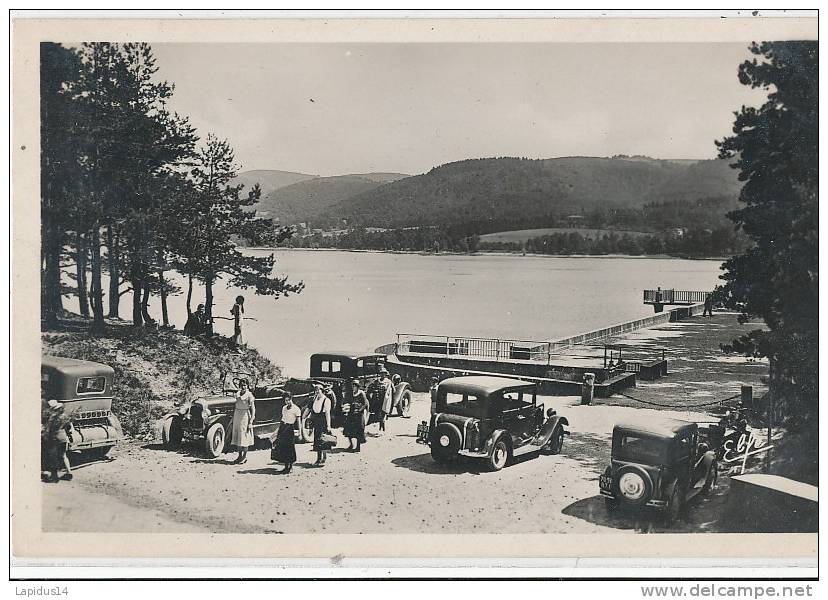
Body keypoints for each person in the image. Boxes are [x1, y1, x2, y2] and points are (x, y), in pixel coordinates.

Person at [41, 399, 74, 483]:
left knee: (53, 457)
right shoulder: (64, 416)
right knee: (63, 455)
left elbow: (48, 428)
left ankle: (54, 476)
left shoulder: (52, 418)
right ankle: (69, 473)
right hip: (63, 437)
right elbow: (69, 428)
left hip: (55, 438)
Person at [272, 391, 301, 474]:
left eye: (288, 400)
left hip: (290, 428)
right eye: (285, 400)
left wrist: (300, 432)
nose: (287, 402)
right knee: (283, 447)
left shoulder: (296, 409)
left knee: (290, 447)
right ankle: (286, 466)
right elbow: (282, 418)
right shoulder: (284, 408)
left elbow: (299, 421)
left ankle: (291, 467)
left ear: (291, 399)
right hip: (283, 427)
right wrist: (278, 430)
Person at [231, 379, 255, 464]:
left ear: (247, 386)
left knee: (244, 437)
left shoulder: (249, 395)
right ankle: (239, 456)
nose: (243, 387)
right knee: (238, 436)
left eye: (245, 385)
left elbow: (253, 409)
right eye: (242, 385)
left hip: (245, 416)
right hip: (237, 415)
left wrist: (251, 421)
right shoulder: (237, 394)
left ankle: (244, 457)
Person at [310, 384, 333, 466]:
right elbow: (312, 411)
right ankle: (319, 458)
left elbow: (327, 414)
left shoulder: (326, 400)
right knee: (317, 440)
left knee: (323, 440)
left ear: (322, 390)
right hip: (316, 422)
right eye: (315, 390)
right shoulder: (315, 399)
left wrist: (328, 425)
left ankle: (323, 458)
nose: (317, 392)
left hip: (323, 421)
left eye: (318, 390)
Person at [343, 380, 368, 452]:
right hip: (351, 414)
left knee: (358, 431)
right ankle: (351, 445)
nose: (353, 387)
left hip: (359, 415)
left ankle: (358, 447)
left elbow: (365, 404)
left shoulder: (361, 393)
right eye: (352, 386)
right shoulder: (351, 394)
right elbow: (347, 401)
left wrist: (359, 410)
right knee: (348, 430)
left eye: (354, 386)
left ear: (357, 387)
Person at [377, 368, 393, 433]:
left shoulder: (388, 382)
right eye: (381, 374)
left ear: (385, 374)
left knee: (383, 414)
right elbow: (372, 386)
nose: (382, 375)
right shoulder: (377, 381)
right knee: (379, 414)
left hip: (385, 400)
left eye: (383, 374)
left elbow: (393, 390)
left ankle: (383, 429)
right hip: (378, 400)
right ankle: (380, 428)